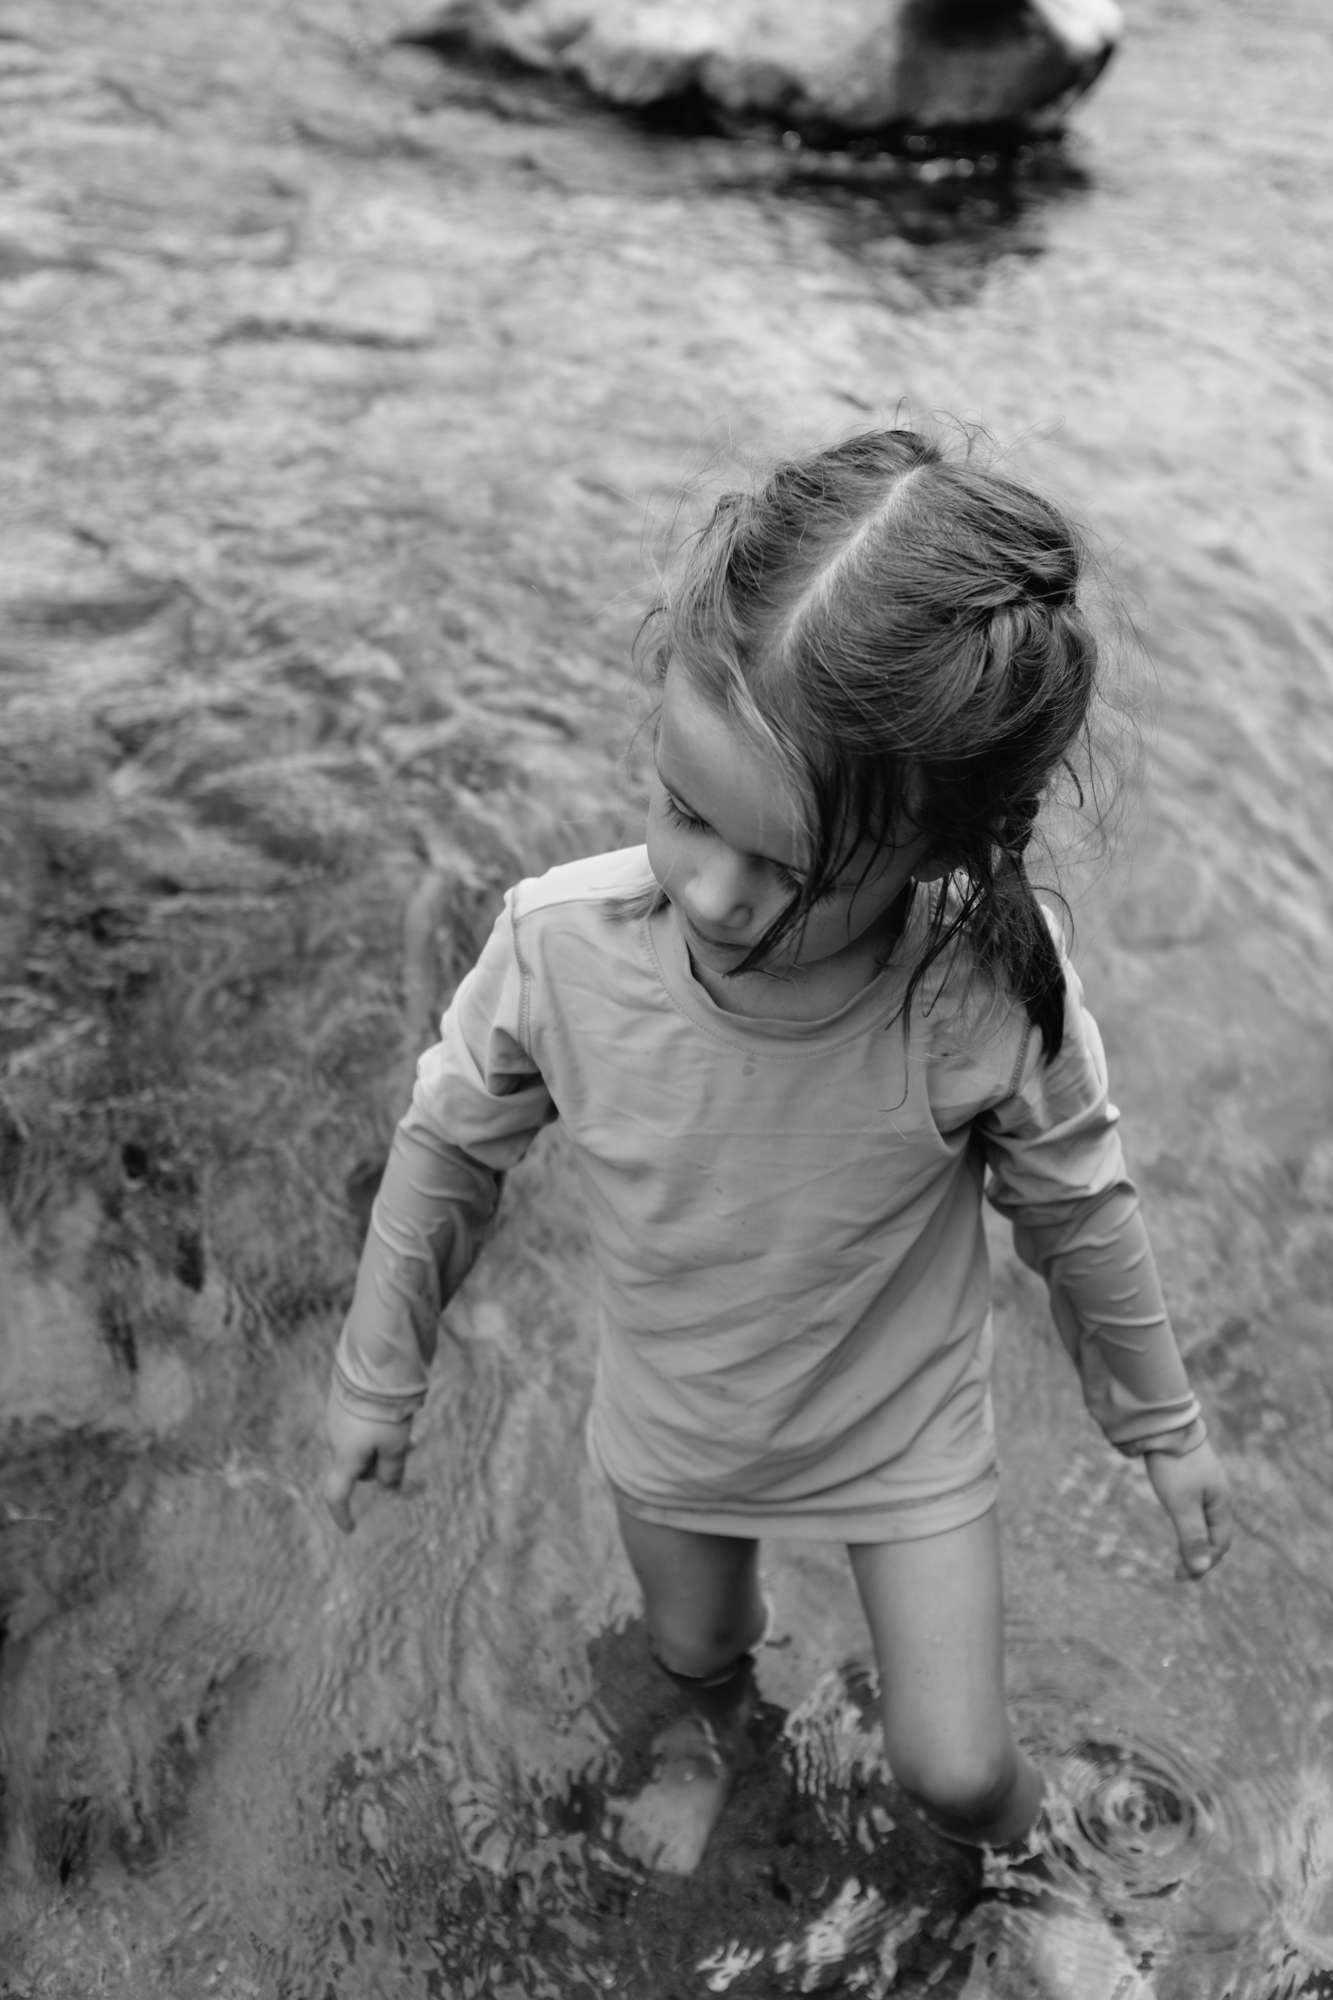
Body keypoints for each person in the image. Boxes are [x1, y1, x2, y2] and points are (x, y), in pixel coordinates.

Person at [322, 427, 1232, 1904]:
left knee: (949, 1766)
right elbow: (447, 1153)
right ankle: (704, 1743)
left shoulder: (981, 988)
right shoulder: (561, 948)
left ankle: (1038, 1851)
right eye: (684, 809)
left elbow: (1077, 1204)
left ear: (942, 848)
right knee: (693, 1654)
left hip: (899, 1431)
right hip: (682, 1420)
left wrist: (1160, 1421)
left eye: (789, 867)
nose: (714, 892)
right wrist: (378, 1373)